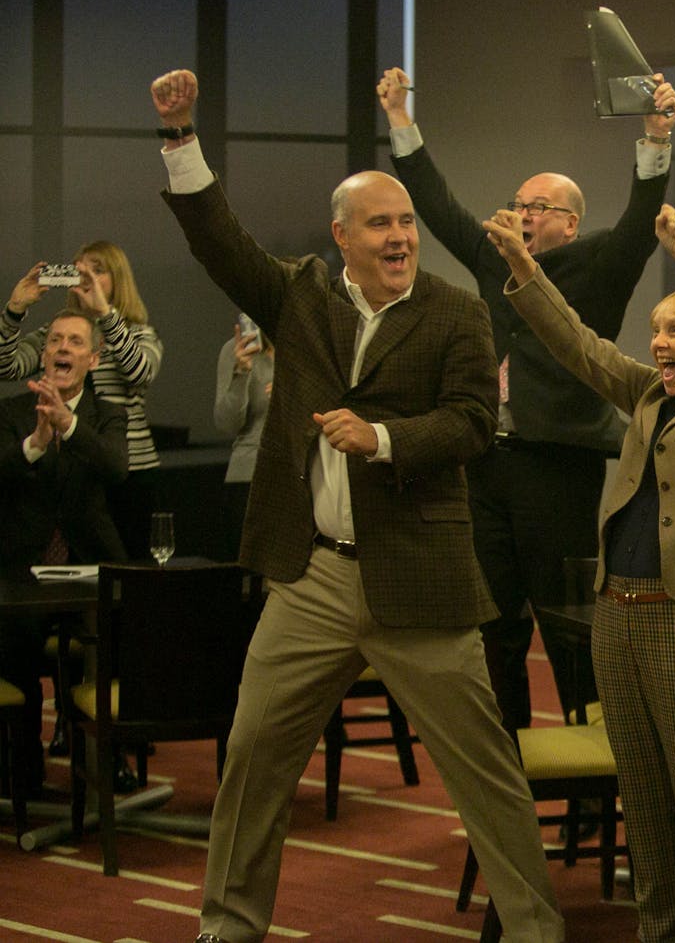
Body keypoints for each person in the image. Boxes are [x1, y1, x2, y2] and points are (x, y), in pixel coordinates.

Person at [149, 69, 562, 943]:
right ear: (342, 236)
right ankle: (227, 924)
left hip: (420, 579)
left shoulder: (455, 312)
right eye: (381, 223)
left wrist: (380, 440)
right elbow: (221, 243)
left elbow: (473, 424)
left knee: (486, 772)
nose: (401, 236)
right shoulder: (299, 294)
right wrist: (181, 138)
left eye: (408, 222)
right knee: (253, 759)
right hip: (312, 577)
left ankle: (535, 930)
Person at [484, 201, 675, 943]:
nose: (658, 342)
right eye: (656, 331)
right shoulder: (648, 394)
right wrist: (526, 273)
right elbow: (580, 346)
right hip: (618, 615)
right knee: (645, 808)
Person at [379, 67, 675, 732]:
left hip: (557, 465)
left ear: (569, 223)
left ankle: (596, 762)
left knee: (566, 623)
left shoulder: (596, 265)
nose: (520, 212)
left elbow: (638, 222)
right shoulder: (494, 259)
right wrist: (401, 120)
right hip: (485, 463)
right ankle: (506, 769)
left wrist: (655, 135)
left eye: (536, 206)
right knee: (494, 626)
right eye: (516, 201)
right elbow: (438, 205)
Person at [0, 309, 128, 794]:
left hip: (89, 564)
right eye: (55, 340)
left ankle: (105, 763)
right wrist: (35, 443)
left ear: (92, 359)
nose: (62, 349)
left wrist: (69, 424)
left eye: (75, 342)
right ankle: (23, 770)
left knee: (115, 631)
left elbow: (117, 468)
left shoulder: (107, 414)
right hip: (21, 571)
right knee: (14, 642)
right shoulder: (11, 412)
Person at [2, 244, 163, 561]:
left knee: (131, 573)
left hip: (127, 468)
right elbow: (7, 366)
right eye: (79, 269)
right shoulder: (57, 334)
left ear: (118, 280)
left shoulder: (137, 333)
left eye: (97, 270)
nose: (85, 277)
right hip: (71, 470)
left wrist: (105, 316)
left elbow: (140, 372)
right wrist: (14, 311)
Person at [212, 322, 273, 562]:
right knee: (246, 583)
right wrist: (241, 373)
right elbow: (226, 424)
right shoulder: (236, 348)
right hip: (249, 475)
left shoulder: (306, 344)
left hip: (301, 475)